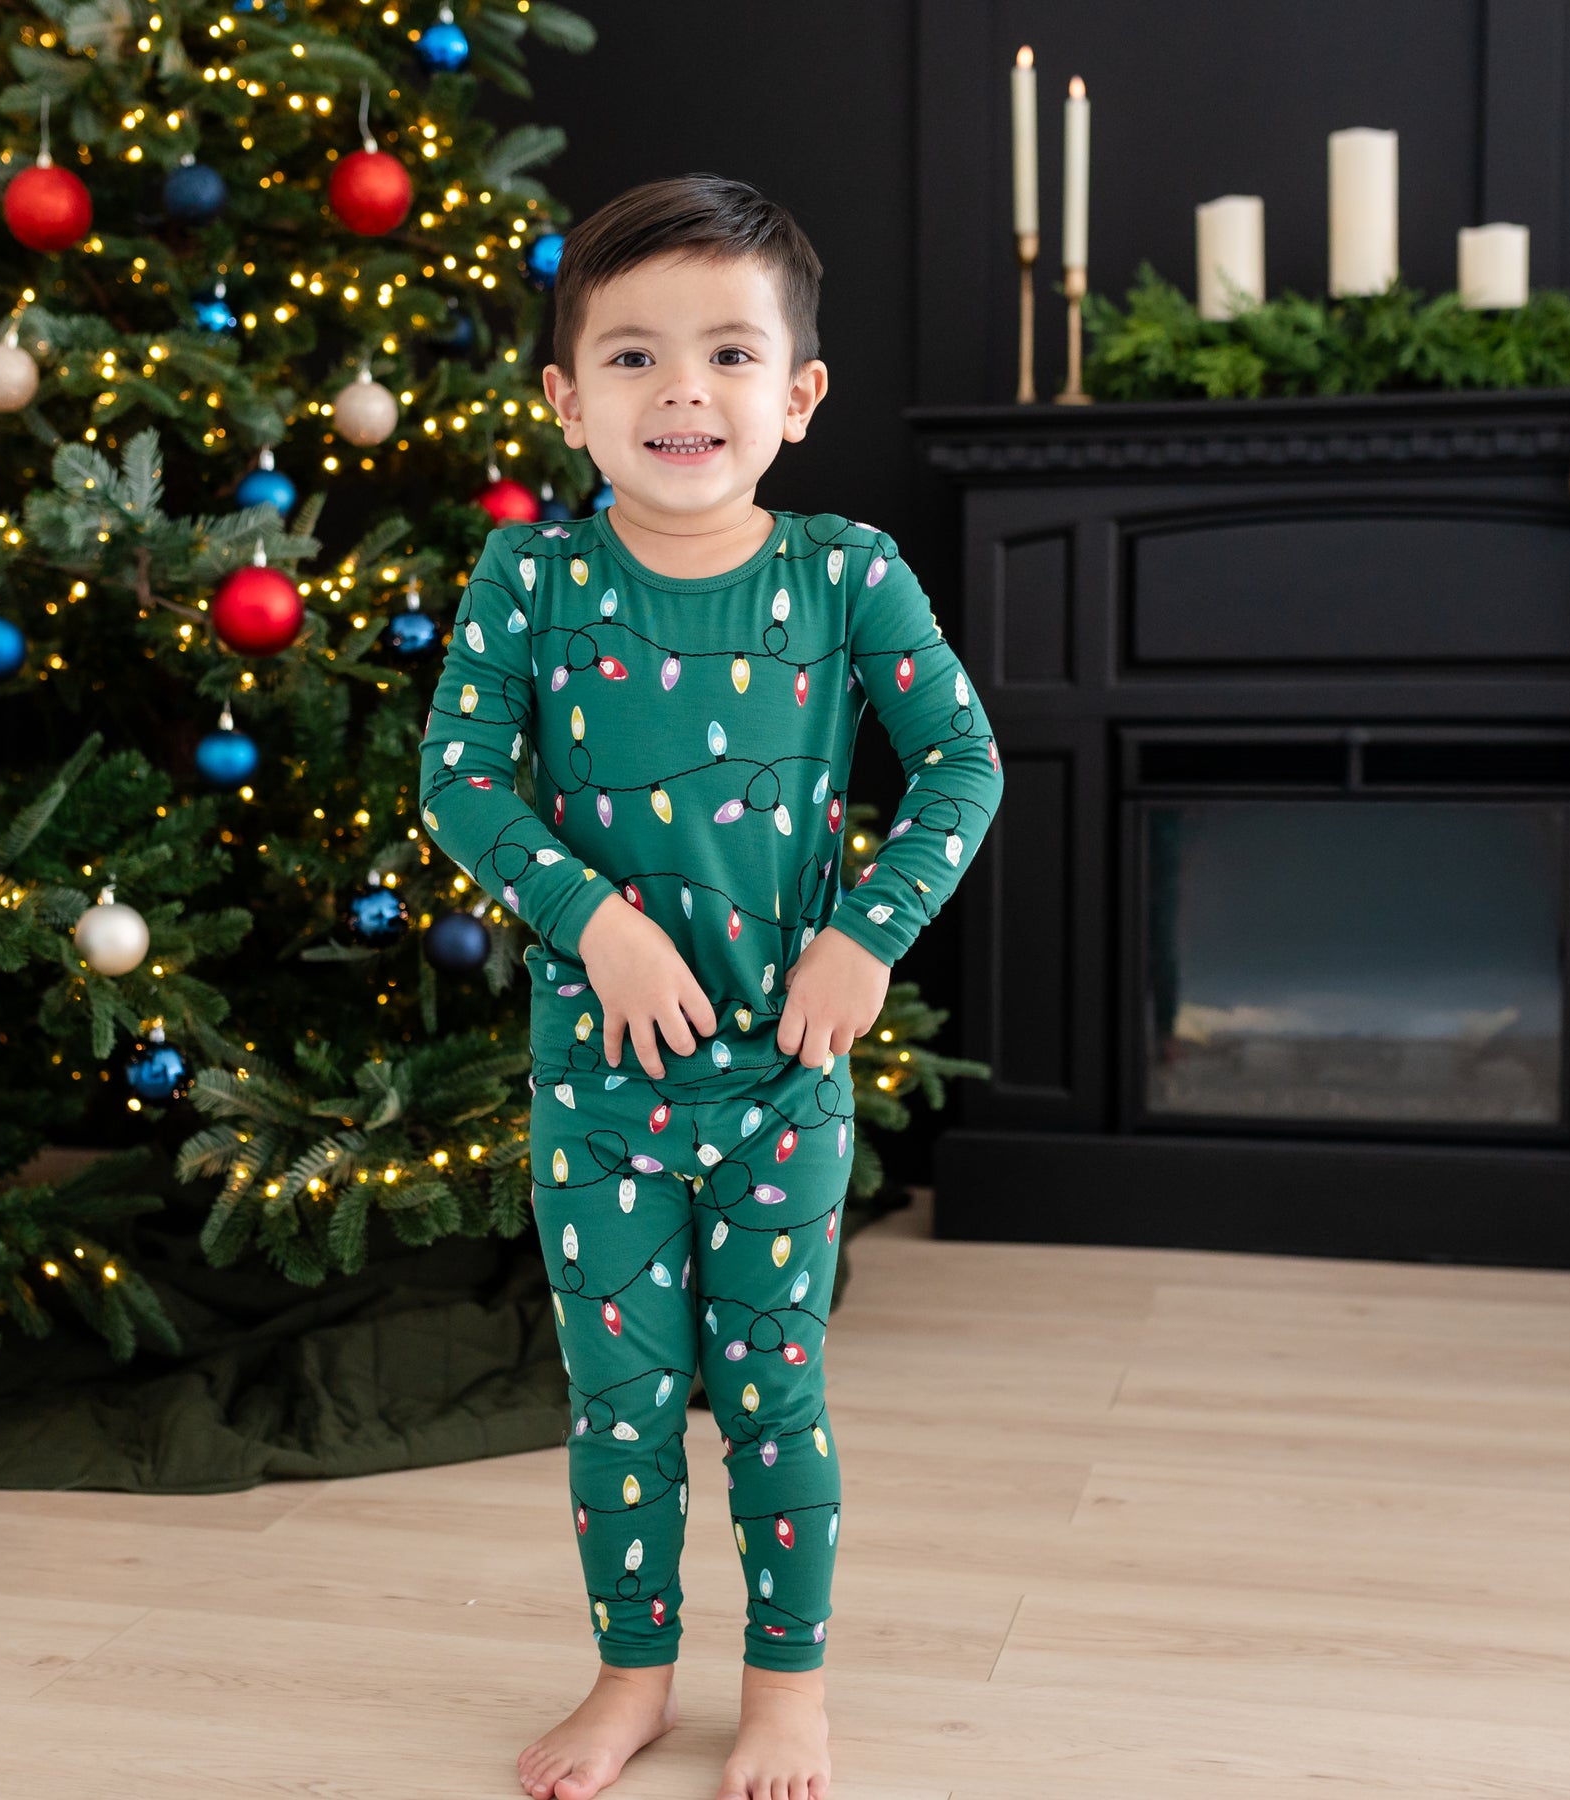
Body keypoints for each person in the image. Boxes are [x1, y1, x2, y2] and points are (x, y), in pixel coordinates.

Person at [416, 172, 1004, 1800]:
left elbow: (960, 764)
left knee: (772, 1395)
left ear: (798, 395)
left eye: (729, 354)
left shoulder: (847, 574)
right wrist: (592, 922)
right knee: (619, 1399)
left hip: (780, 1080)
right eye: (634, 357)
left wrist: (867, 935)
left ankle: (786, 1690)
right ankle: (632, 1678)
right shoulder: (529, 581)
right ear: (567, 400)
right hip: (597, 1081)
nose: (683, 390)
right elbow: (459, 782)